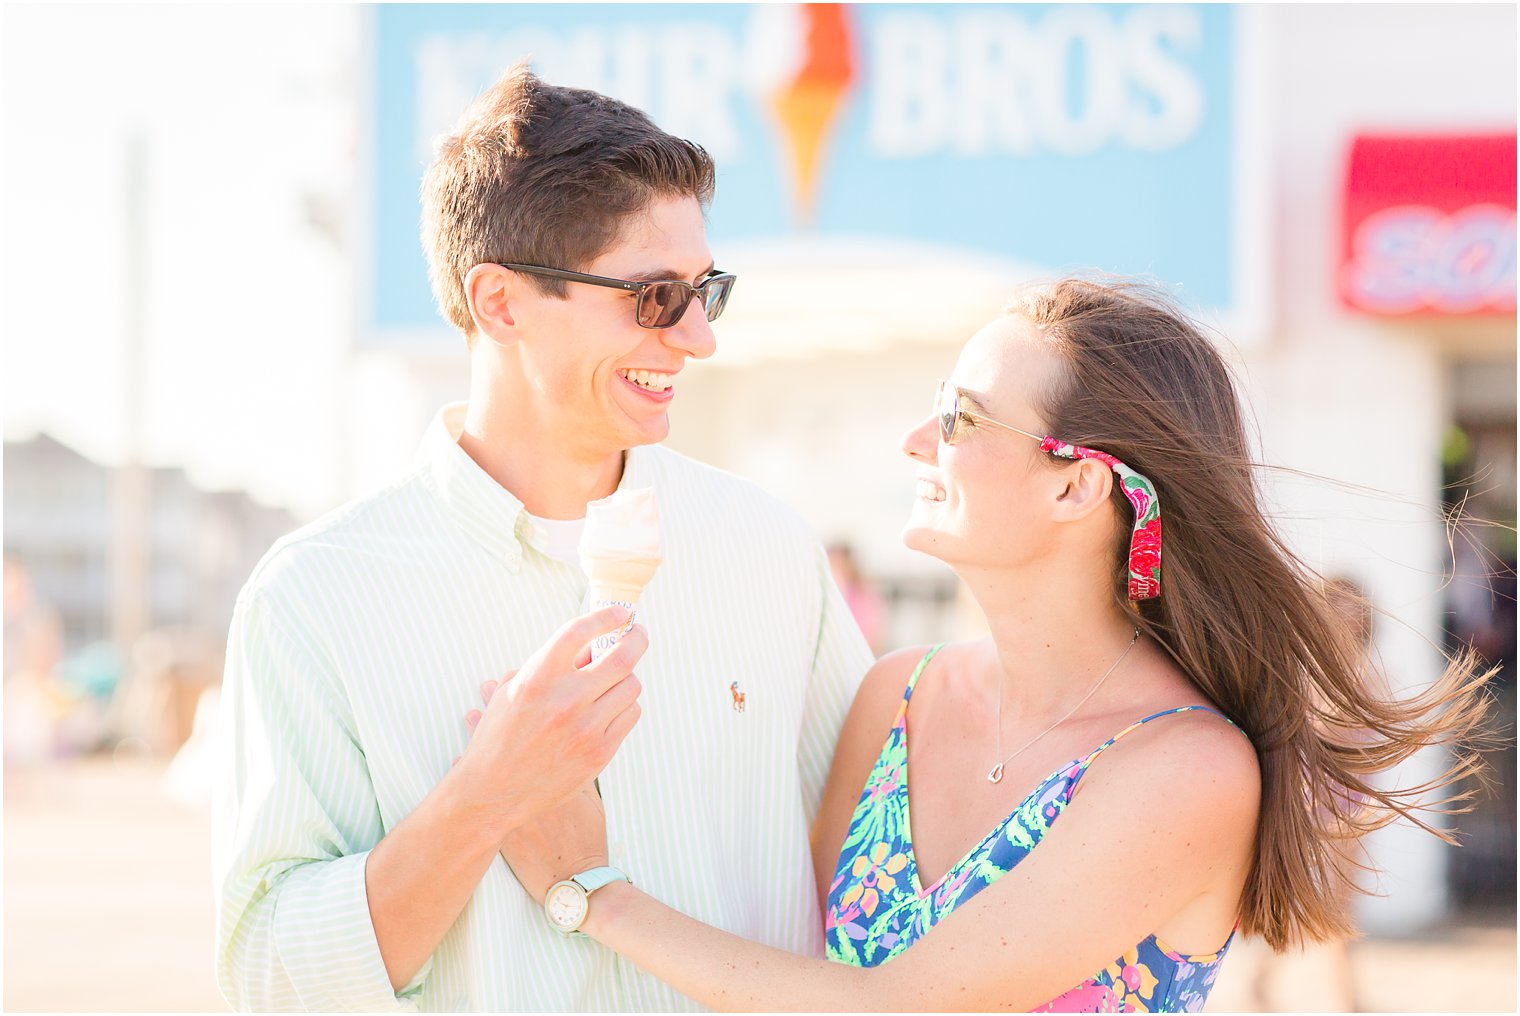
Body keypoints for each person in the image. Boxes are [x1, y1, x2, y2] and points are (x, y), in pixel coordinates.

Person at [491, 278, 1493, 1011]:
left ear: (1075, 485)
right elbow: (783, 965)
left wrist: (592, 894)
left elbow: (896, 1005)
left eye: (960, 417)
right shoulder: (896, 694)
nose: (916, 444)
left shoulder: (1184, 766)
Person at [212, 64, 873, 1011]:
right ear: (501, 303)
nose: (698, 340)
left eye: (706, 291)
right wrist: (483, 797)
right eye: (653, 298)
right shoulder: (311, 597)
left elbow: (867, 868)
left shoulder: (768, 551)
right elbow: (270, 978)